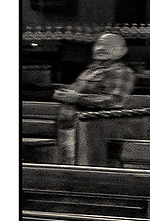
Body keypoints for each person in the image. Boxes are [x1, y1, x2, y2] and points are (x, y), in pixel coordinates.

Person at [53, 31, 137, 162]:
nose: (102, 48)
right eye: (99, 44)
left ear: (122, 51)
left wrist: (77, 97)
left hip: (93, 132)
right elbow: (74, 91)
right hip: (71, 128)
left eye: (109, 45)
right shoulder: (90, 71)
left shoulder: (121, 72)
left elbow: (115, 101)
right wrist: (63, 94)